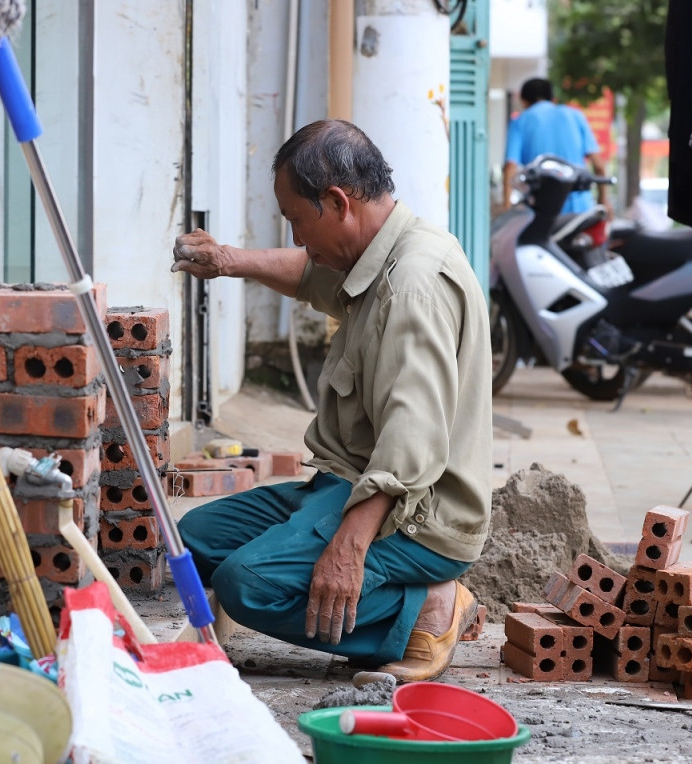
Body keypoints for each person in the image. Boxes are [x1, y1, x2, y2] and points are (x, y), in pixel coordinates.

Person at [169, 119, 492, 682]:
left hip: (415, 515)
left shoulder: (412, 285)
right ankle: (395, 590)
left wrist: (348, 548)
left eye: (297, 219)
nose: (296, 238)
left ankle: (428, 609)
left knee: (247, 585)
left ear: (338, 202)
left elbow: (409, 447)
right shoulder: (379, 249)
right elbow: (308, 273)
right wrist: (226, 260)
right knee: (192, 542)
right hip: (348, 482)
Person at [501, 77, 611, 216]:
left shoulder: (520, 121)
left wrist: (506, 205)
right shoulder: (576, 116)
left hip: (540, 211)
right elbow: (599, 165)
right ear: (553, 99)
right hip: (579, 210)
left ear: (524, 101)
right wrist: (603, 200)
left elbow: (511, 166)